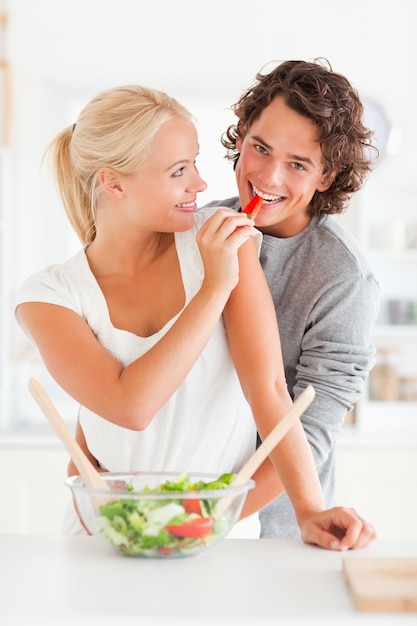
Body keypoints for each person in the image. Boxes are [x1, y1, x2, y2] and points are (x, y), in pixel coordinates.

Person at [14, 83, 375, 550]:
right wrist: (85, 454)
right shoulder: (50, 292)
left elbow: (275, 395)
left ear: (326, 175)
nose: (201, 185)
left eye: (298, 163)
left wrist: (305, 508)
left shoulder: (239, 246)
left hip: (223, 532)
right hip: (104, 531)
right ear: (114, 182)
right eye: (180, 169)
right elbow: (122, 402)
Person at [204, 58, 380, 539]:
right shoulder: (192, 230)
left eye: (298, 164)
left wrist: (203, 519)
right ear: (240, 138)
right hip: (177, 497)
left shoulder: (342, 277)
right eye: (260, 148)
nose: (269, 177)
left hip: (272, 532)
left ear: (327, 175)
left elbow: (311, 429)